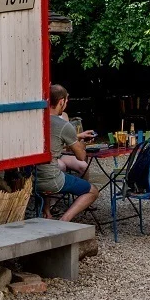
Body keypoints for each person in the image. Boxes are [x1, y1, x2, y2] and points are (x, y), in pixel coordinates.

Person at [36, 85, 99, 221]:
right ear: (61, 101)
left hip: (32, 179)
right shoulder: (63, 125)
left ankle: (47, 213)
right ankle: (65, 220)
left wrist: (76, 137)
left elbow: (53, 141)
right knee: (93, 191)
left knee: (49, 168)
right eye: (66, 101)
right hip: (52, 181)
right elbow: (81, 157)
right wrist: (82, 143)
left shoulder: (36, 120)